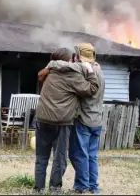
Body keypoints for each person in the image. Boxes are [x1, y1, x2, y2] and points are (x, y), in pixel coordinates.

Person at [34, 47, 100, 194]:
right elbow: (93, 88)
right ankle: (55, 188)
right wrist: (89, 71)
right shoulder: (73, 76)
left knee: (41, 156)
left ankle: (38, 188)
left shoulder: (48, 73)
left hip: (42, 119)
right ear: (69, 60)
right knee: (60, 158)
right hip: (61, 122)